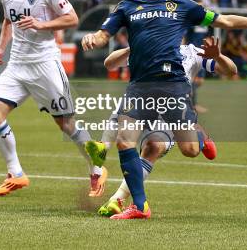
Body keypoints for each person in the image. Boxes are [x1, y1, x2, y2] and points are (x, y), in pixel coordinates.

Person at [81, 0, 247, 219]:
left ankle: (199, 134)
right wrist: (93, 38)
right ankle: (139, 206)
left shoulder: (182, 6)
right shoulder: (127, 7)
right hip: (140, 85)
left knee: (190, 150)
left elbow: (224, 20)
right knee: (124, 141)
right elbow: (103, 35)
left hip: (172, 86)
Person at [0, 0, 107, 198]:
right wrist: (0, 47)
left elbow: (72, 18)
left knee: (66, 124)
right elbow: (8, 21)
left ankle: (97, 169)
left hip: (45, 64)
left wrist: (42, 25)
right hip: (17, 65)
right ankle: (16, 173)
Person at [90, 36, 237, 216]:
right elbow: (110, 63)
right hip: (142, 102)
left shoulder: (191, 52)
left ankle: (199, 134)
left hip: (174, 110)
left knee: (183, 150)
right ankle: (118, 200)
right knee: (137, 142)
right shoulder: (149, 47)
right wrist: (133, 47)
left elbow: (231, 70)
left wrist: (219, 56)